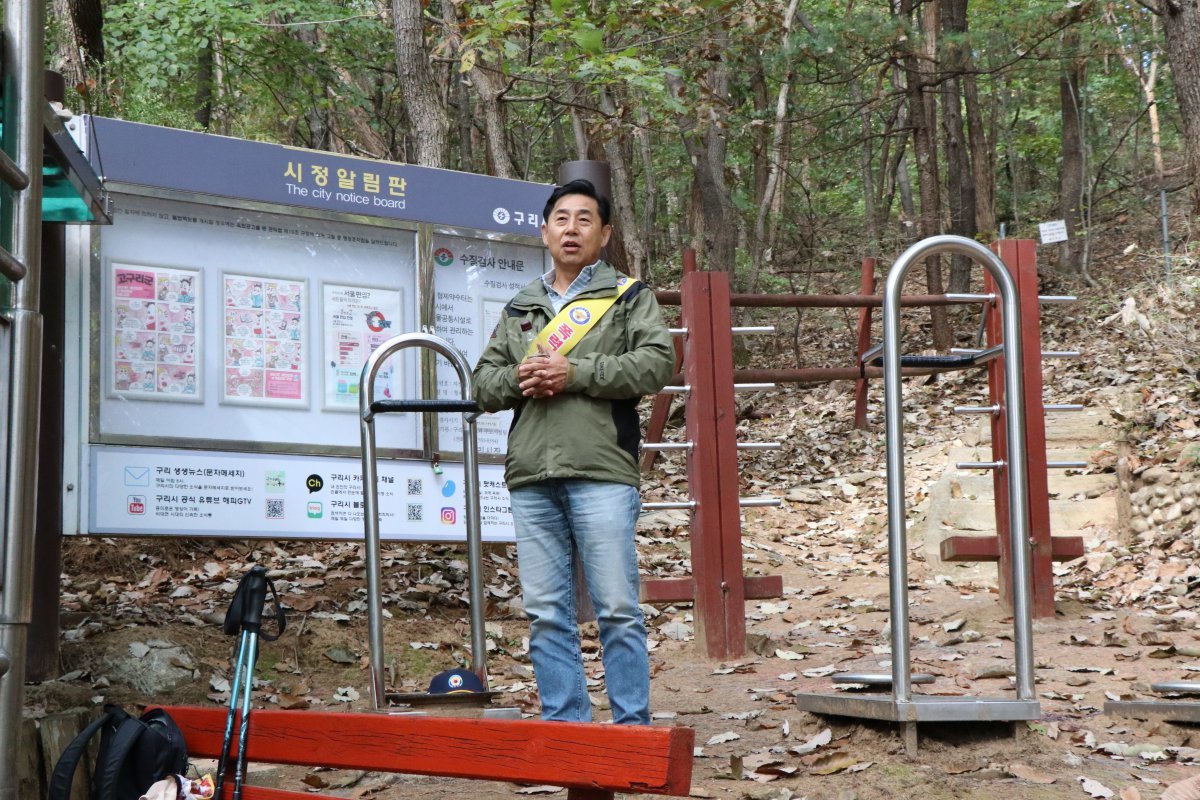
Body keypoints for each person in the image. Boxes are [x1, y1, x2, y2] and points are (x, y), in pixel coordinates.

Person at [473, 179, 674, 725]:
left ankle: (631, 732)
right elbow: (482, 385)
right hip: (532, 475)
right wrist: (523, 378)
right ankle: (567, 731)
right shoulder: (523, 306)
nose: (571, 228)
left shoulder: (630, 296)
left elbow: (658, 365)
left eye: (585, 219)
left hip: (602, 470)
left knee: (617, 609)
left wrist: (574, 372)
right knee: (545, 614)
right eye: (561, 218)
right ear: (544, 230)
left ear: (604, 234)